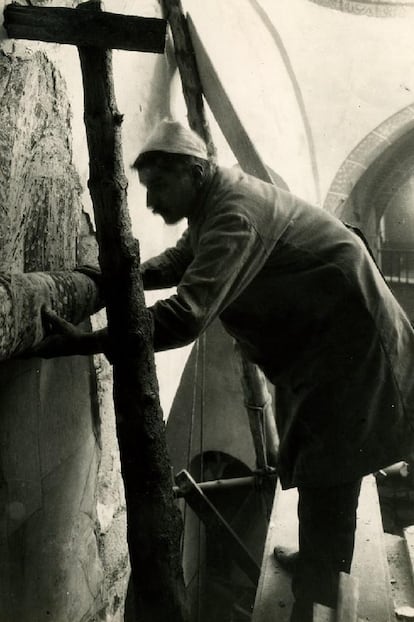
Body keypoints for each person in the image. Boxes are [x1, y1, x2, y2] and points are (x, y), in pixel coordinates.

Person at [31, 119, 414, 621]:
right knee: (320, 454)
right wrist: (115, 280)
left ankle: (316, 594)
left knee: (332, 460)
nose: (151, 203)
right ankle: (320, 562)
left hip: (354, 343)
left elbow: (186, 315)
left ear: (193, 171)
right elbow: (178, 262)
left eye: (159, 187)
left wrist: (89, 342)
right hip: (326, 343)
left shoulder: (235, 213)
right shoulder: (216, 201)